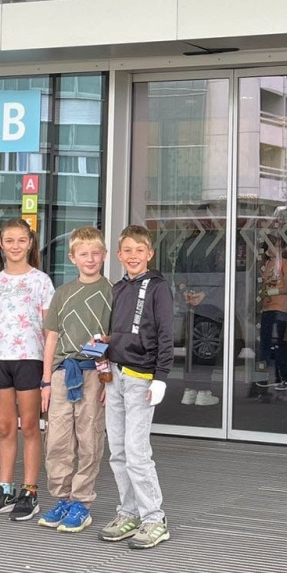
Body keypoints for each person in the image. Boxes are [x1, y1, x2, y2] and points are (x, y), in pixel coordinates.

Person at [0, 216, 57, 522]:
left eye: (22, 240)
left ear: (31, 243)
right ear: (0, 244)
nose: (16, 246)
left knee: (31, 427)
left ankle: (30, 492)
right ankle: (5, 490)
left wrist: (47, 374)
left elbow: (50, 330)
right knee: (5, 428)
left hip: (31, 360)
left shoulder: (41, 281)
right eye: (9, 240)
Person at [99, 224, 173, 550]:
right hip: (115, 377)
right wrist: (102, 357)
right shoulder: (116, 288)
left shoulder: (158, 288)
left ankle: (154, 518)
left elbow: (166, 333)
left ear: (149, 254)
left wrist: (161, 377)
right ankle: (128, 512)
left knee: (137, 453)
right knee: (117, 451)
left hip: (141, 378)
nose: (133, 256)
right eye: (127, 250)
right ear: (118, 254)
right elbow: (110, 332)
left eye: (139, 250)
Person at [37, 226, 113, 533]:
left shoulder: (112, 292)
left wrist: (108, 380)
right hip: (61, 373)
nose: (90, 259)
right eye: (83, 254)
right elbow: (51, 338)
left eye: (95, 253)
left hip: (94, 371)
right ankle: (62, 497)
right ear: (72, 257)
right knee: (57, 438)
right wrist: (45, 381)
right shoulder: (62, 293)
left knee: (89, 437)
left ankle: (82, 501)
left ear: (104, 255)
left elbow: (116, 338)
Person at [257, 237, 287, 394]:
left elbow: (286, 288)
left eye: (279, 247)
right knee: (267, 341)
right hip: (268, 307)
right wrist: (264, 296)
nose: (276, 250)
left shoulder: (285, 263)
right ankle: (274, 377)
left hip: (280, 306)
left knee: (277, 341)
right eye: (274, 246)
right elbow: (264, 286)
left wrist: (269, 292)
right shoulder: (268, 264)